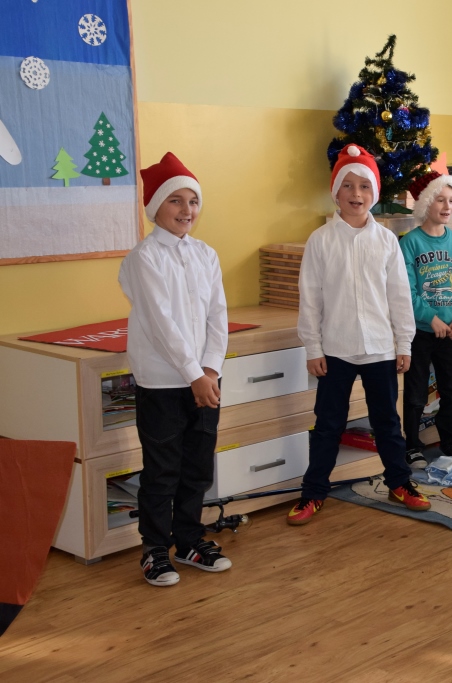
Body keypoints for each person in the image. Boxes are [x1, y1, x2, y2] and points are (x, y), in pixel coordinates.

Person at [288, 144, 429, 525]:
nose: (356, 194)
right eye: (348, 186)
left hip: (380, 349)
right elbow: (310, 298)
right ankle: (313, 492)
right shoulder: (320, 240)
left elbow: (399, 296)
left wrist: (404, 342)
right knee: (327, 425)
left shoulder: (386, 241)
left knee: (387, 423)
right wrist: (313, 347)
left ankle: (399, 482)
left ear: (375, 193)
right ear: (336, 192)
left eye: (364, 186)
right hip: (335, 349)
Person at [119, 152, 230, 586]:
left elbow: (217, 316)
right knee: (162, 470)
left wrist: (211, 369)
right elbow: (161, 323)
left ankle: (188, 540)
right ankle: (154, 549)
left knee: (197, 468)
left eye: (193, 201)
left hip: (205, 381)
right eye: (176, 200)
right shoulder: (144, 258)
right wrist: (193, 374)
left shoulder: (206, 254)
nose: (187, 210)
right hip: (163, 382)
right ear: (155, 207)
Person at [400, 171, 452, 466]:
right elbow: (407, 291)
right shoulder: (410, 243)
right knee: (416, 394)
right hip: (420, 332)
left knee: (451, 391)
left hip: (450, 332)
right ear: (425, 203)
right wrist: (430, 318)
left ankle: (451, 441)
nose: (447, 206)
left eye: (451, 200)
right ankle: (411, 446)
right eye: (440, 200)